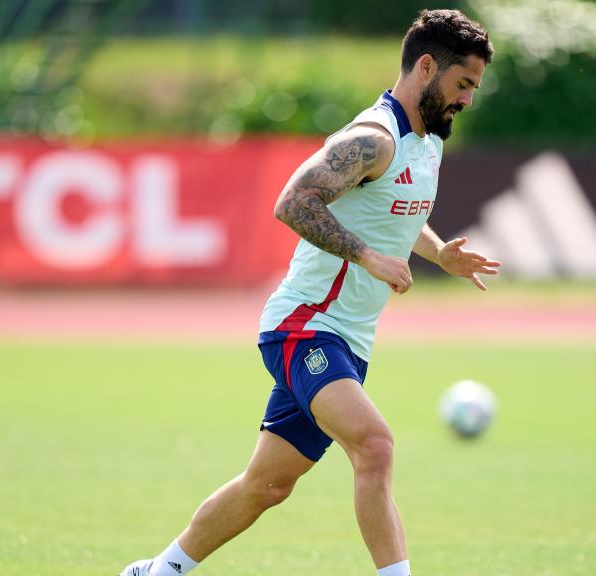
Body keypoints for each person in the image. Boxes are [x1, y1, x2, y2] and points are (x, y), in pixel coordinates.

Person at [120, 9, 497, 576]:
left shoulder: (427, 142)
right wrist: (367, 257)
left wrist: (439, 252)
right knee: (375, 446)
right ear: (426, 67)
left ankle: (158, 571)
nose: (468, 99)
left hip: (348, 340)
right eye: (462, 84)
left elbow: (391, 213)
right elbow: (293, 201)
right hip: (305, 325)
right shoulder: (373, 138)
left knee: (265, 486)